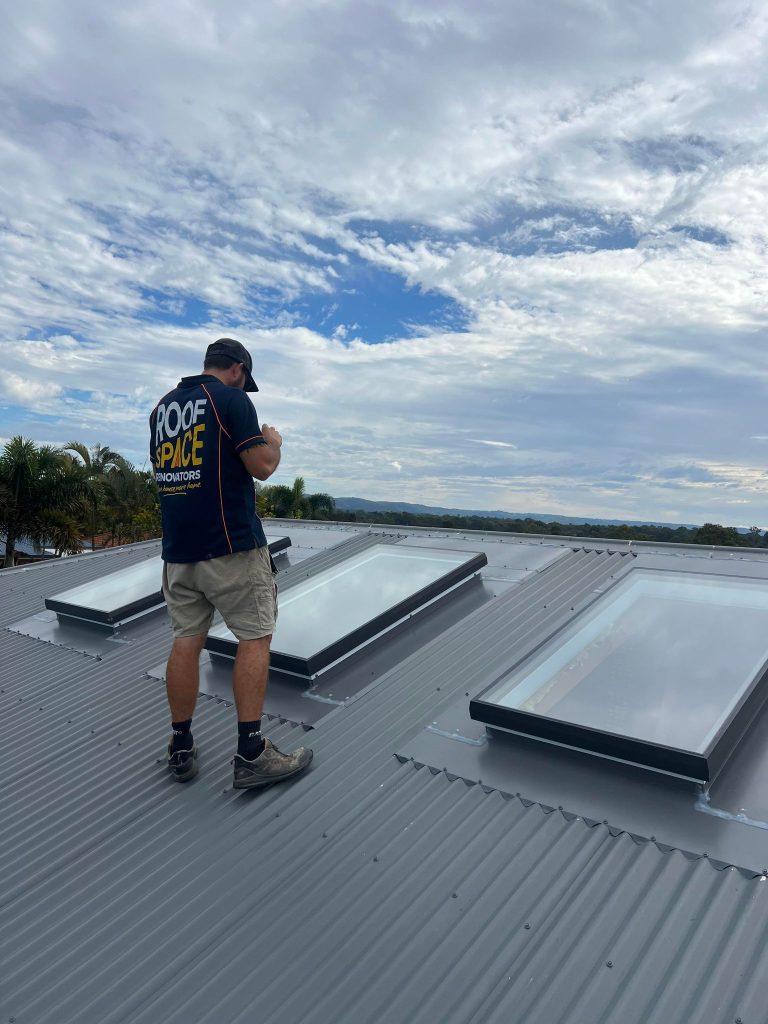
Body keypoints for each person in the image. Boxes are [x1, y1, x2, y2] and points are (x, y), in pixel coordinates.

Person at [149, 337, 313, 788]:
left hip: (178, 553)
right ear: (238, 369)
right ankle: (252, 752)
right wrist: (273, 442)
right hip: (232, 548)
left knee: (186, 640)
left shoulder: (163, 409)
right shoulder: (231, 400)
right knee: (255, 638)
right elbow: (261, 466)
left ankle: (180, 747)